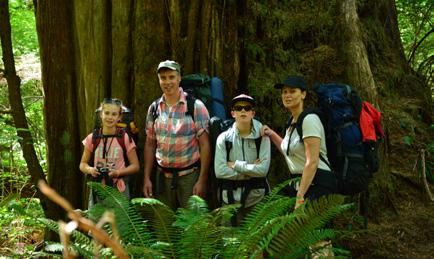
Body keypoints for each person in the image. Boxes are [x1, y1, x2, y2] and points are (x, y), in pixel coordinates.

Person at [143, 60, 211, 210]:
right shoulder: (154, 108)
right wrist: (147, 178)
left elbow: (205, 144)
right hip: (162, 179)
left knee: (192, 228)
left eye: (171, 77)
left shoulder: (195, 106)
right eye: (163, 78)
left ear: (179, 78)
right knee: (165, 228)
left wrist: (202, 180)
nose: (167, 82)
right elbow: (150, 144)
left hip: (189, 177)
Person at [261, 75, 336, 210]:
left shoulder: (309, 120)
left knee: (315, 230)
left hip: (316, 184)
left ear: (303, 94)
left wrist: (300, 196)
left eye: (292, 91)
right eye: (284, 92)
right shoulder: (292, 122)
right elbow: (289, 150)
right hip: (301, 184)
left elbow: (312, 161)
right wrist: (271, 134)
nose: (287, 95)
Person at [214, 94, 271, 225]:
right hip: (229, 200)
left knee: (258, 241)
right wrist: (250, 171)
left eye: (247, 108)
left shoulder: (262, 137)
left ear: (253, 113)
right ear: (233, 113)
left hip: (256, 198)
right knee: (230, 241)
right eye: (239, 108)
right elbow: (220, 171)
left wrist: (236, 165)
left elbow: (263, 170)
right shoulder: (223, 138)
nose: (243, 111)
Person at [79, 98, 140, 206]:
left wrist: (118, 173)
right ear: (101, 114)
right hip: (98, 188)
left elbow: (135, 165)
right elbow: (82, 164)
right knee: (97, 221)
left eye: (114, 114)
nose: (110, 117)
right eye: (106, 113)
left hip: (119, 189)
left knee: (120, 221)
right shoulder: (92, 138)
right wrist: (90, 170)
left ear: (119, 117)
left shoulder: (124, 138)